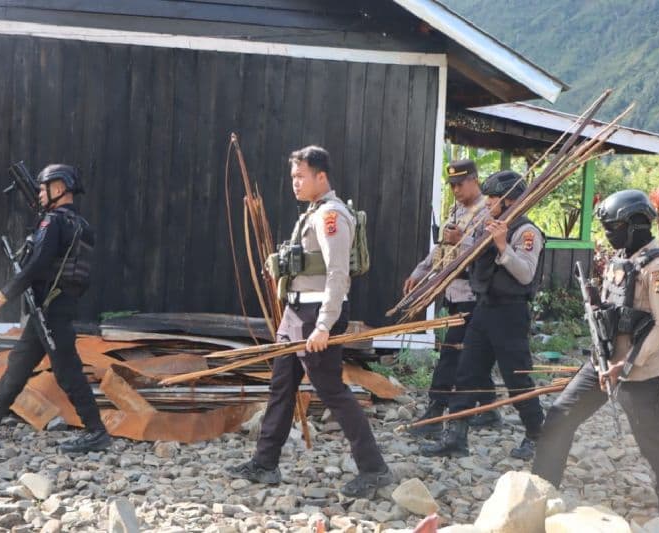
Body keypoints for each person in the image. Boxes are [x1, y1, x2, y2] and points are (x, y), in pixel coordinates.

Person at [227, 146, 392, 498]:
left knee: (331, 390)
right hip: (295, 314)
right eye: (293, 177)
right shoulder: (312, 213)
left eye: (301, 176)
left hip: (317, 315)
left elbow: (337, 273)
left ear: (321, 176)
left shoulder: (332, 215)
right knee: (281, 386)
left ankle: (374, 468)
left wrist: (323, 325)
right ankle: (265, 463)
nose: (295, 183)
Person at [532, 189, 659, 522]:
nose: (608, 234)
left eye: (613, 227)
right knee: (559, 418)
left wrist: (626, 364)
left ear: (636, 225)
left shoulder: (658, 268)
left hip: (638, 372)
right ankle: (540, 497)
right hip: (601, 365)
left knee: (653, 446)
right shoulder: (622, 260)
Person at [0, 164, 110, 454]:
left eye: (44, 188)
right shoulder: (82, 226)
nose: (40, 194)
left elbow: (37, 265)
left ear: (59, 188)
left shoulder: (53, 222)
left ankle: (96, 431)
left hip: (50, 310)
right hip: (57, 305)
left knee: (67, 370)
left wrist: (4, 295)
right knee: (20, 360)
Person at [421, 170, 544, 460]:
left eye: (493, 198)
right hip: (484, 308)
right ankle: (456, 437)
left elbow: (525, 274)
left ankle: (538, 436)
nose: (487, 203)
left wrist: (502, 245)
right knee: (467, 371)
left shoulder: (526, 232)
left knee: (517, 378)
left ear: (510, 200)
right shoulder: (486, 226)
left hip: (511, 314)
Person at [403, 159, 487, 437]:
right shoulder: (456, 209)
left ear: (474, 180)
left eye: (460, 184)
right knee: (472, 353)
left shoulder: (489, 210)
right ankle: (489, 409)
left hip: (474, 294)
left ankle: (435, 412)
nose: (455, 190)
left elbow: (487, 252)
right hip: (454, 293)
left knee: (451, 353)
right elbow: (441, 248)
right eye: (452, 185)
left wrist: (462, 239)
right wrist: (420, 271)